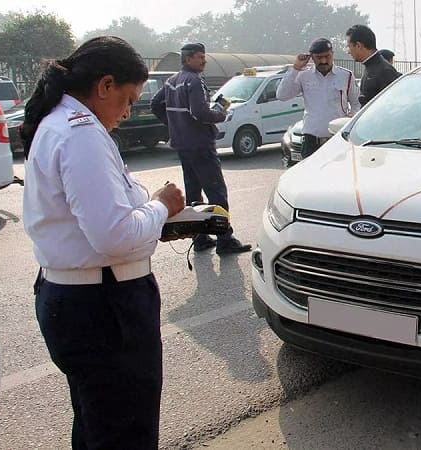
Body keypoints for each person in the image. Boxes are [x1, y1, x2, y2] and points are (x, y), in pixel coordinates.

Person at [21, 36, 186, 449]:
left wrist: (151, 218)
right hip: (104, 308)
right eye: (128, 99)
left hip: (82, 300)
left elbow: (104, 218)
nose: (128, 112)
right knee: (123, 434)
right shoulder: (81, 135)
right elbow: (113, 235)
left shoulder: (63, 123)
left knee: (98, 427)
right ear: (105, 85)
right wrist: (162, 208)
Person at [151, 43, 250, 254]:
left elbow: (155, 104)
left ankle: (200, 237)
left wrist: (175, 124)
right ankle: (225, 240)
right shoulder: (193, 81)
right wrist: (220, 114)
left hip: (183, 145)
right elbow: (200, 113)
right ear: (187, 59)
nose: (204, 61)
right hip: (200, 144)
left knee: (193, 192)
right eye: (199, 57)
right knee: (216, 192)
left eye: (204, 57)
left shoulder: (171, 81)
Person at [276, 37, 360, 166]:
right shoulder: (304, 76)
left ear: (333, 54)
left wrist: (351, 116)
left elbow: (356, 102)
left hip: (336, 140)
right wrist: (296, 68)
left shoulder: (346, 76)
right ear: (312, 58)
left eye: (327, 56)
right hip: (311, 142)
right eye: (319, 57)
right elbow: (282, 95)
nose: (324, 61)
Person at [345, 24, 401, 107]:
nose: (348, 51)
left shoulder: (384, 71)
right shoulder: (372, 67)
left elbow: (393, 106)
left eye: (349, 47)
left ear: (358, 46)